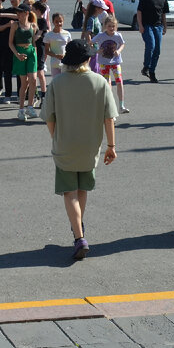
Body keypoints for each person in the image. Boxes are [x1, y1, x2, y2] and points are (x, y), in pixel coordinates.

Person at [40, 39, 118, 260]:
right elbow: (109, 117)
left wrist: (56, 137)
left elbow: (49, 118)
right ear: (86, 60)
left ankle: (79, 236)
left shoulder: (57, 83)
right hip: (90, 145)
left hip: (65, 143)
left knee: (69, 192)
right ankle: (79, 228)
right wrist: (111, 146)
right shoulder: (100, 82)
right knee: (82, 189)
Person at [9, 5, 40, 122]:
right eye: (17, 13)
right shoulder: (15, 25)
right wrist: (17, 54)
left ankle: (30, 107)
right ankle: (21, 109)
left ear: (27, 13)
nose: (18, 15)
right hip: (19, 53)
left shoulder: (33, 25)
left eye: (21, 13)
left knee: (33, 79)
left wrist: (35, 54)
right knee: (24, 82)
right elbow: (10, 43)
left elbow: (33, 43)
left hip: (31, 53)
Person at [92, 16, 128, 113]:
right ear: (105, 26)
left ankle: (121, 106)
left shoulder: (118, 35)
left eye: (113, 26)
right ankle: (109, 107)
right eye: (109, 26)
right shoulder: (101, 35)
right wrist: (97, 50)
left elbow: (122, 44)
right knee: (107, 85)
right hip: (104, 63)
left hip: (115, 62)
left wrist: (119, 50)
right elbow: (90, 43)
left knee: (119, 82)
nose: (111, 28)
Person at [136, 0, 168, 82]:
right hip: (147, 26)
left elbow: (163, 15)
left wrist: (165, 26)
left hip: (158, 27)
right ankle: (146, 66)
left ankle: (152, 72)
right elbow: (139, 12)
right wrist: (140, 25)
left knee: (157, 50)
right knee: (151, 46)